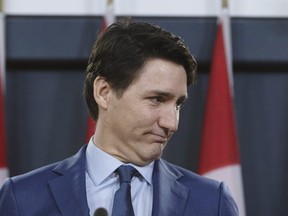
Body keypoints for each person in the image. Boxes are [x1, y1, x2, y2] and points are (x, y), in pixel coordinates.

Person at [0, 19, 238, 216]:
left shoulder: (212, 202)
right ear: (104, 93)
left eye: (178, 104)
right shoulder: (22, 199)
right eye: (156, 99)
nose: (171, 123)